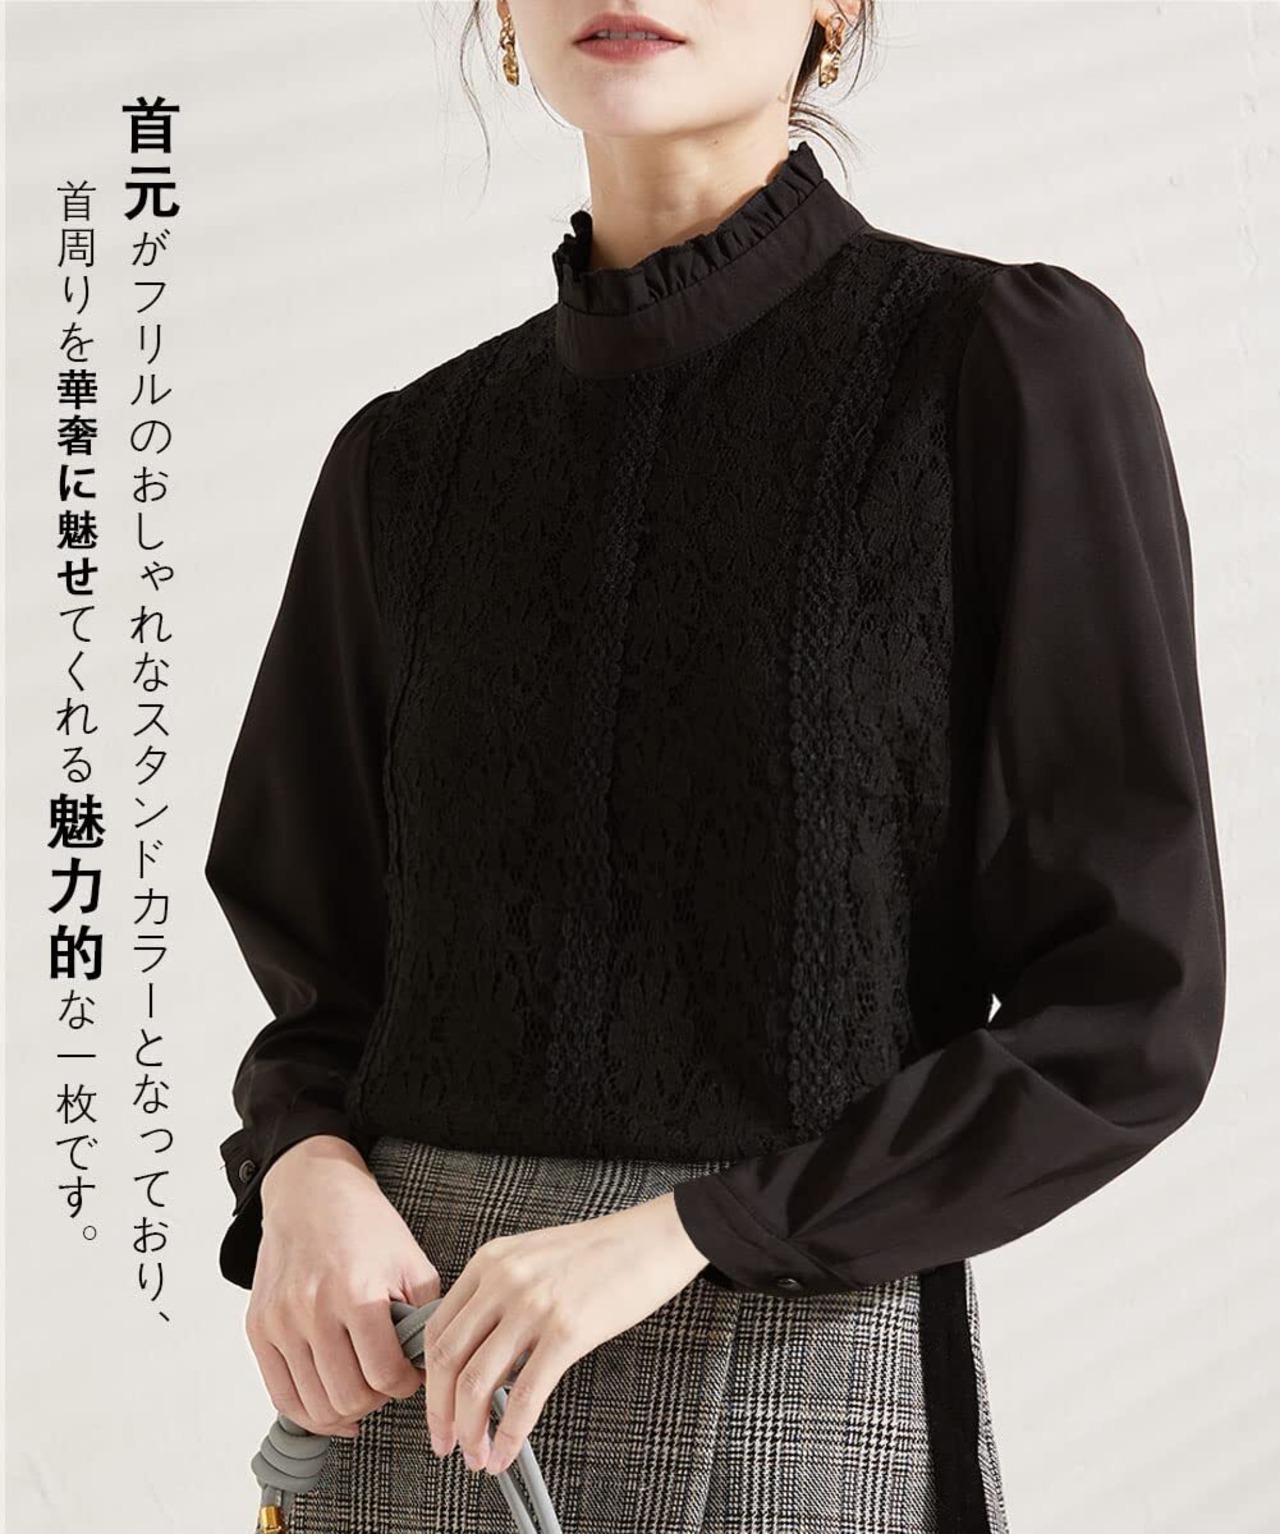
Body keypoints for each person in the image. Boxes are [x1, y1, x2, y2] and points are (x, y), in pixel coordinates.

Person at [205, 4, 1227, 1531]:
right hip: (402, 1391)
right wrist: (303, 1171)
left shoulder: (993, 373)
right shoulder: (405, 465)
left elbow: (1129, 1007)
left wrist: (693, 1229)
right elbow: (324, 978)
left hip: (782, 1382)